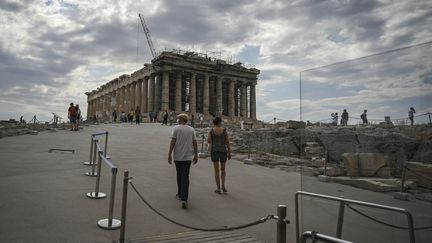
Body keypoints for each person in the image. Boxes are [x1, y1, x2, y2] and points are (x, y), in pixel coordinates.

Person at [167, 113, 198, 209]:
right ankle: (184, 198)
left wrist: (169, 154)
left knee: (179, 175)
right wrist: (196, 155)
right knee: (185, 176)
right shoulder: (191, 129)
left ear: (180, 119)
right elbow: (195, 143)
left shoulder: (175, 128)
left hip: (178, 156)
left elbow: (173, 141)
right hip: (188, 156)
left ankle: (180, 193)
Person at [207, 117, 232, 194]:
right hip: (223, 151)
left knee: (216, 170)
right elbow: (227, 142)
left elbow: (208, 141)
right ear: (219, 122)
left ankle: (218, 188)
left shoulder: (211, 131)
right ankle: (223, 185)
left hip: (214, 151)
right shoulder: (224, 131)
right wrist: (229, 152)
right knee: (223, 169)